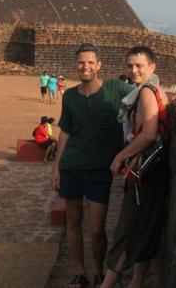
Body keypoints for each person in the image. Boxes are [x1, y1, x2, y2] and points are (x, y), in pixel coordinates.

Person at [52, 43, 133, 288]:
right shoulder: (71, 96)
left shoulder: (115, 89)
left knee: (97, 230)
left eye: (90, 62)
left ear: (99, 65)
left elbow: (144, 92)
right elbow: (65, 132)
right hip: (72, 167)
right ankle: (80, 273)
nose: (85, 67)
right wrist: (56, 167)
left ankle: (99, 271)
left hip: (99, 170)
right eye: (81, 62)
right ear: (76, 65)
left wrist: (164, 95)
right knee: (73, 223)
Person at [102, 46, 169, 288]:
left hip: (146, 173)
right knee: (144, 229)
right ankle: (136, 283)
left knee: (127, 231)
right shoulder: (154, 89)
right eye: (130, 65)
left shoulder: (146, 93)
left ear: (152, 67)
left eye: (139, 65)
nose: (133, 70)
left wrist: (120, 156)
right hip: (155, 172)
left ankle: (107, 284)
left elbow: (150, 134)